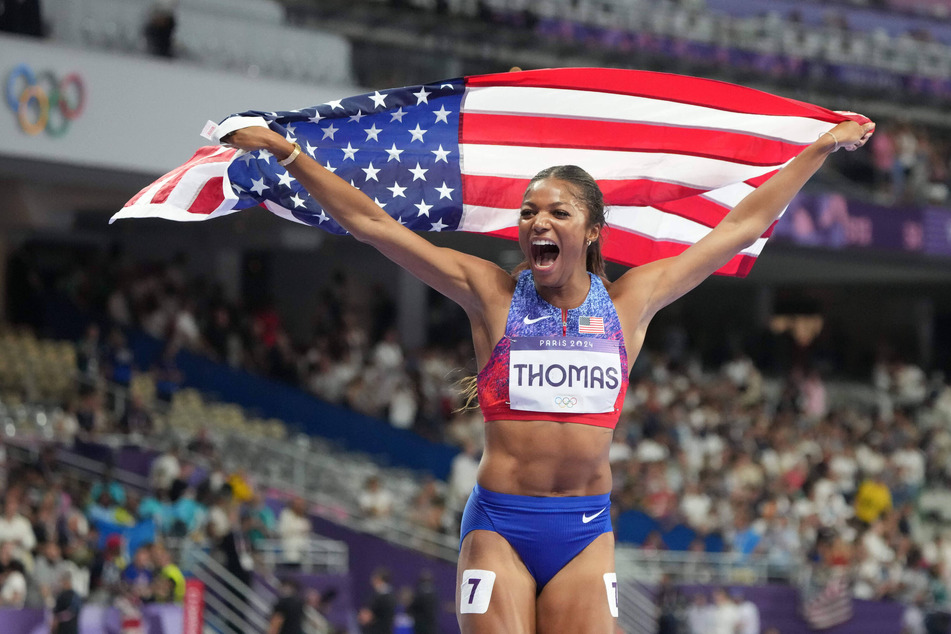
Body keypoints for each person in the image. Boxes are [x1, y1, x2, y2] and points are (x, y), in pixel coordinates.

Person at [223, 114, 873, 632]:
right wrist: (287, 153)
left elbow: (743, 224)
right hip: (499, 525)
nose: (538, 220)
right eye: (529, 211)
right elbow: (372, 224)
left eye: (558, 212)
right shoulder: (490, 293)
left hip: (584, 530)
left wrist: (817, 149)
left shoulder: (630, 302)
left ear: (590, 231)